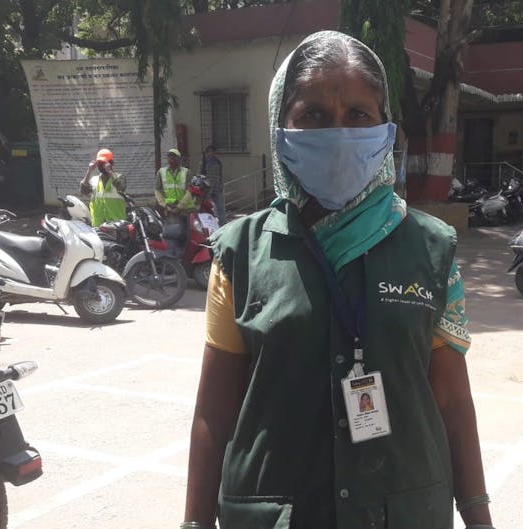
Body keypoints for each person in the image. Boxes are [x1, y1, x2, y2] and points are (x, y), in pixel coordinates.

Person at [184, 31, 493, 529]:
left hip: (403, 513)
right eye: (314, 115)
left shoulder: (432, 250)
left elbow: (453, 400)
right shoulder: (238, 253)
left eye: (357, 115)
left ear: (385, 128)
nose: (339, 132)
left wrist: (478, 516)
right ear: (280, 129)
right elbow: (213, 413)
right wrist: (194, 524)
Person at [155, 148, 194, 255]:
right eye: (169, 156)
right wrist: (164, 205)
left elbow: (190, 191)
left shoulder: (186, 172)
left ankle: (184, 258)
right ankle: (171, 258)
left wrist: (179, 207)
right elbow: (157, 190)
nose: (171, 159)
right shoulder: (161, 172)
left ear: (179, 159)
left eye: (174, 157)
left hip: (185, 210)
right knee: (171, 235)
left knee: (185, 235)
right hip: (169, 210)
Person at [80, 148, 127, 227]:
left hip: (117, 224)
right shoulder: (94, 180)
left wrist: (110, 172)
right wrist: (89, 171)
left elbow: (121, 187)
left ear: (111, 163)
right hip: (98, 224)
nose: (101, 165)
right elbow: (83, 191)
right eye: (99, 163)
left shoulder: (119, 177)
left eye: (103, 162)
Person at [200, 145, 226, 225]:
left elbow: (220, 175)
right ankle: (208, 223)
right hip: (206, 188)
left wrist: (221, 185)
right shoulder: (203, 163)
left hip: (216, 187)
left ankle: (222, 223)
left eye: (212, 152)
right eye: (209, 152)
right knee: (207, 207)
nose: (211, 154)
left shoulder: (217, 162)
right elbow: (200, 175)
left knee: (220, 207)